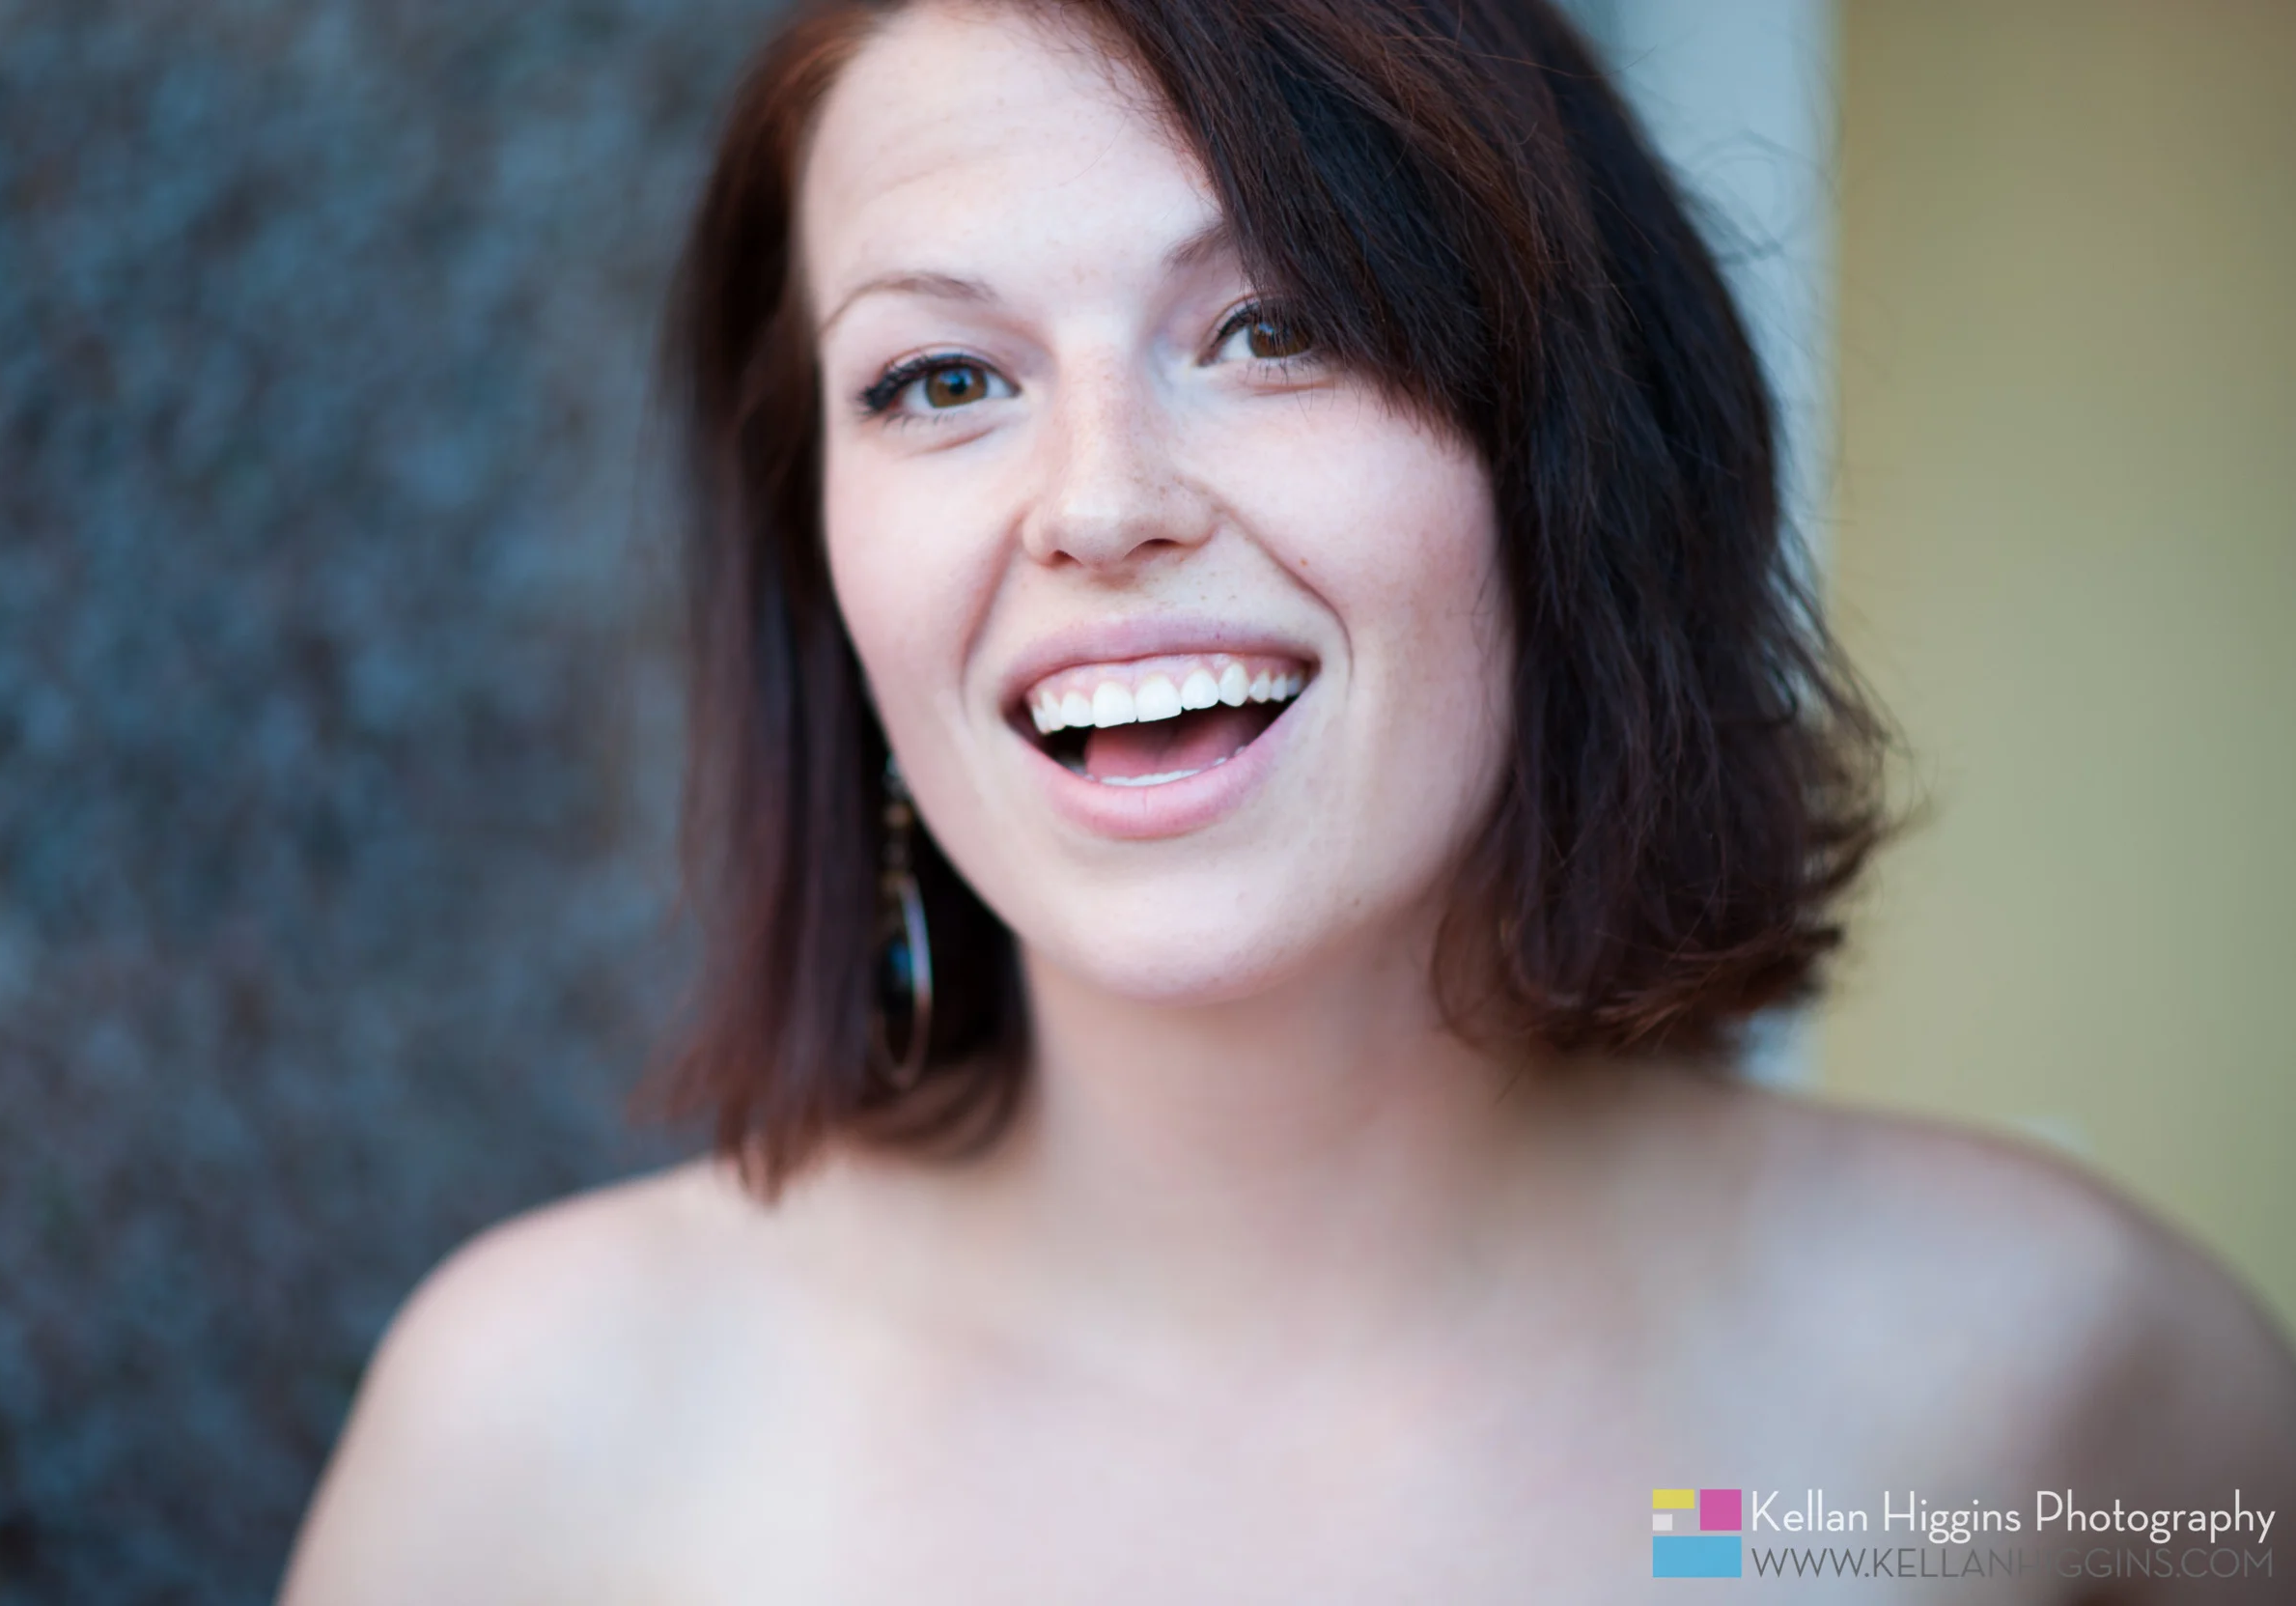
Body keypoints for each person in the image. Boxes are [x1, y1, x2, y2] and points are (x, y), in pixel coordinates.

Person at [279, 0, 2296, 1598]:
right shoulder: (544, 1427)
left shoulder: (2037, 1380)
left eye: (1274, 327)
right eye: (941, 381)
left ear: (1571, 463)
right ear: (825, 564)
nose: (1097, 504)